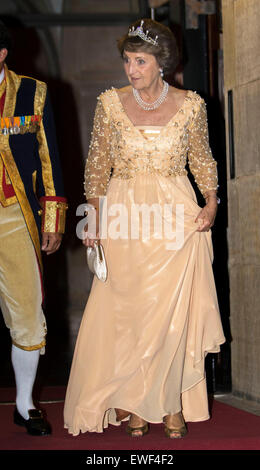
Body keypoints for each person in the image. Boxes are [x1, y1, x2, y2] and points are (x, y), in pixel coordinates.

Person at [64, 19, 225, 438]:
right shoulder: (109, 104)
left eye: (140, 60)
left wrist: (210, 203)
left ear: (161, 63)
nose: (131, 69)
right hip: (125, 217)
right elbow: (96, 168)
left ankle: (170, 402)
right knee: (130, 315)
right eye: (127, 60)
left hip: (175, 218)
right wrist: (93, 219)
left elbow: (203, 161)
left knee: (172, 316)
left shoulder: (191, 105)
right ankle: (134, 405)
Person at [0, 22, 67, 435]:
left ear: (2, 53)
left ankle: (24, 405)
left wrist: (53, 219)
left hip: (14, 216)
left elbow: (49, 158)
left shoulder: (32, 92)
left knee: (27, 309)